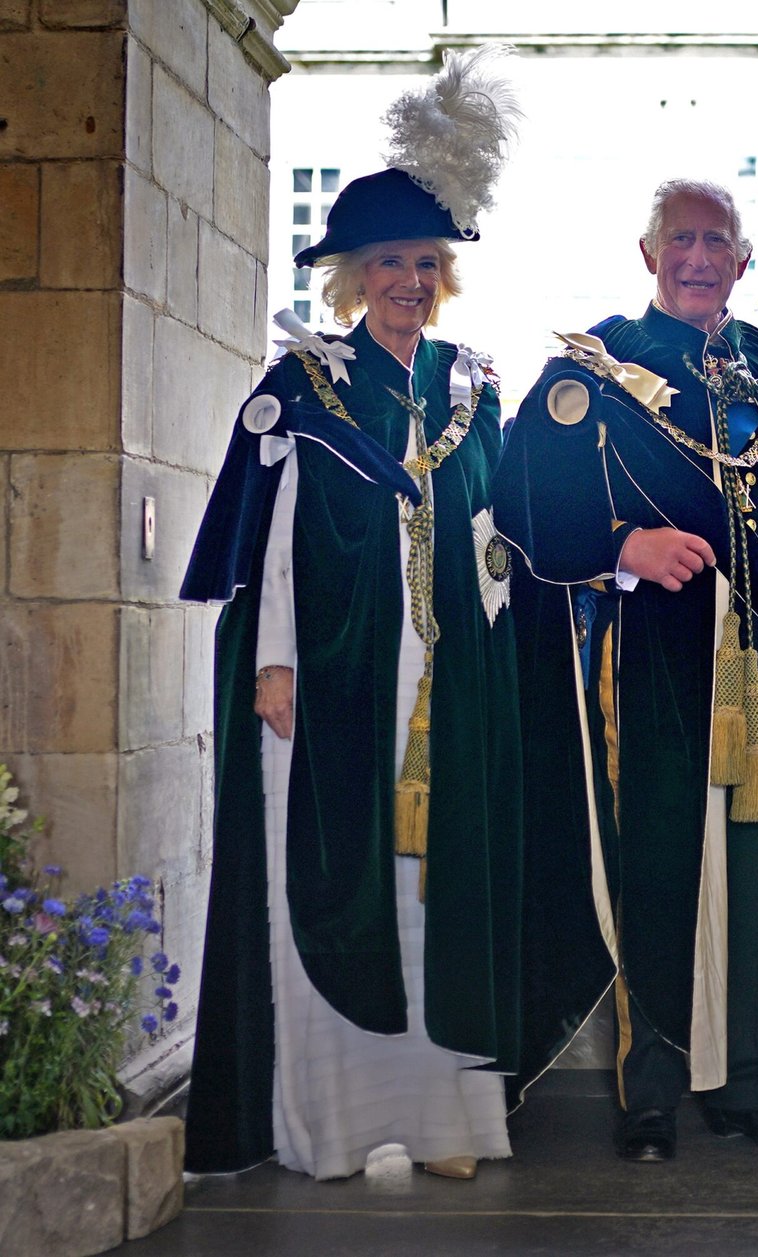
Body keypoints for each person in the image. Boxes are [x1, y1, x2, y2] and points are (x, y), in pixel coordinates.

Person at [494, 179, 758, 1163]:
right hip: (652, 670)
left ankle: (747, 1084)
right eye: (682, 238)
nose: (700, 256)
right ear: (648, 253)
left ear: (744, 260)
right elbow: (519, 501)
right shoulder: (589, 367)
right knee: (658, 870)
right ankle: (653, 1090)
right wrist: (623, 544)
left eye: (719, 240)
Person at [179, 48, 527, 1181]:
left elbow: (497, 540)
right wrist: (273, 667)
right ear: (352, 277)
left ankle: (445, 1127)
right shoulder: (302, 390)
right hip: (329, 686)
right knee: (335, 889)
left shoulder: (472, 387)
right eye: (389, 263)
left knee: (437, 898)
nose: (409, 282)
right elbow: (267, 547)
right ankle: (327, 1124)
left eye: (426, 263)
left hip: (448, 689)